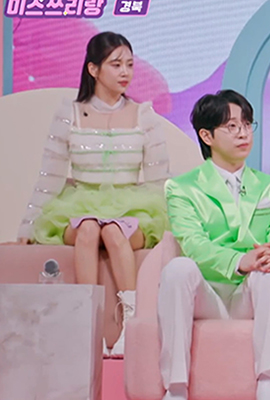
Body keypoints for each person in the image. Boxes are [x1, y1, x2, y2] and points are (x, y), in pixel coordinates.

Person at [17, 31, 170, 357]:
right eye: (116, 64)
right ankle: (88, 326)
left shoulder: (144, 115)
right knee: (88, 229)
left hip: (131, 208)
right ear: (93, 69)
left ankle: (131, 322)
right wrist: (28, 223)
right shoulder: (69, 113)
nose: (125, 72)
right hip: (80, 204)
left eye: (130, 64)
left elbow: (159, 179)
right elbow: (50, 175)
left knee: (114, 231)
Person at [158, 90, 270, 400]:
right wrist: (240, 260)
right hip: (206, 292)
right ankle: (176, 388)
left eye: (247, 125)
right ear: (206, 136)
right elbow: (194, 245)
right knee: (177, 268)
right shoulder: (182, 188)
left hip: (250, 292)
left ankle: (267, 384)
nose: (243, 134)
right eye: (232, 126)